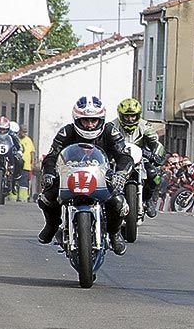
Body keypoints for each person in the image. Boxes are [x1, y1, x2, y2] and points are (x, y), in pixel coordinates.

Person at [37, 96, 133, 255]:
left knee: (119, 202)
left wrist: (121, 174)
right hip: (70, 175)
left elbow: (124, 156)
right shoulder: (66, 132)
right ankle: (52, 225)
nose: (89, 125)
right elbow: (52, 156)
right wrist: (48, 174)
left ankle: (115, 233)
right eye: (85, 121)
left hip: (102, 175)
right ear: (77, 119)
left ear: (101, 119)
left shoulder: (111, 131)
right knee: (46, 198)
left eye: (94, 120)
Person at [113, 97, 165, 217]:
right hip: (118, 159)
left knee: (154, 176)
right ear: (121, 115)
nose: (130, 119)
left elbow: (156, 143)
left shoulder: (145, 126)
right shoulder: (112, 126)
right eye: (127, 116)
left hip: (140, 157)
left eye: (133, 116)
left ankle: (147, 199)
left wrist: (156, 155)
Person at [17, 125, 35, 202]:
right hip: (16, 164)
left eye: (25, 132)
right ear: (19, 131)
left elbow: (32, 152)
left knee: (24, 182)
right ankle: (12, 196)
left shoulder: (28, 140)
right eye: (22, 132)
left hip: (26, 165)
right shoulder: (16, 139)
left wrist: (32, 163)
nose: (24, 133)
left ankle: (23, 197)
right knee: (15, 180)